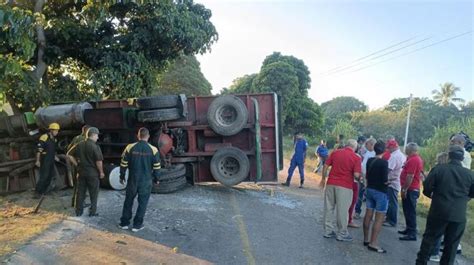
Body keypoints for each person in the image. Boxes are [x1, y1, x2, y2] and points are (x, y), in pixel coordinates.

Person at [416, 145, 474, 265]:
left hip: (438, 210)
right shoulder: (470, 174)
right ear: (462, 158)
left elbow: (426, 188)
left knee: (429, 239)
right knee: (451, 246)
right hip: (458, 214)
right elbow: (472, 193)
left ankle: (421, 262)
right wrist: (463, 200)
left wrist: (434, 197)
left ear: (449, 156)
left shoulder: (439, 169)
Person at [118, 128, 161, 232]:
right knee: (143, 203)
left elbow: (123, 163)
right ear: (148, 136)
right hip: (146, 181)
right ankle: (137, 225)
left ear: (138, 136)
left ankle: (124, 223)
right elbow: (157, 166)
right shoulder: (153, 149)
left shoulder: (130, 147)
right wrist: (157, 179)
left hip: (133, 179)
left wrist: (122, 176)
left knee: (128, 201)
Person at [320, 139, 362, 242]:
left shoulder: (335, 153)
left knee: (329, 207)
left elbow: (325, 166)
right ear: (355, 147)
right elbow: (356, 175)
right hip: (345, 186)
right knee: (342, 210)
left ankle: (328, 231)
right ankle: (342, 233)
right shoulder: (356, 158)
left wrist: (323, 179)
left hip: (331, 183)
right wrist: (361, 179)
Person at [69, 127, 105, 217]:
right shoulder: (95, 146)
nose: (98, 137)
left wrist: (77, 164)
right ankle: (92, 212)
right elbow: (99, 161)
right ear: (93, 135)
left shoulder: (79, 144)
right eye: (97, 135)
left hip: (81, 172)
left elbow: (69, 155)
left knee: (80, 192)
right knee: (93, 193)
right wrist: (101, 172)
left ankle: (78, 212)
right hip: (92, 174)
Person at [363, 140, 389, 253]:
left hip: (370, 189)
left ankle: (366, 239)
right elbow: (384, 180)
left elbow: (368, 175)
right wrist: (390, 181)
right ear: (384, 150)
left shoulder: (370, 160)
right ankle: (373, 243)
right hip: (380, 192)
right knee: (379, 218)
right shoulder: (384, 163)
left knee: (368, 214)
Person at [398, 142, 424, 241]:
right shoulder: (411, 159)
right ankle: (408, 229)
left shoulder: (414, 160)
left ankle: (412, 232)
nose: (405, 149)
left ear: (411, 149)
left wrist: (404, 189)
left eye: (407, 148)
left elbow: (410, 176)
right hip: (410, 188)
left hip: (411, 189)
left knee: (410, 211)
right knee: (407, 210)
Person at [428, 152, 449, 262]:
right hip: (450, 204)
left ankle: (433, 251)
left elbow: (428, 185)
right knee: (441, 229)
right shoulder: (450, 172)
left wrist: (429, 194)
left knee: (435, 228)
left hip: (437, 202)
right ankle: (435, 252)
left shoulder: (437, 170)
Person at [383, 139, 406, 227]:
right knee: (392, 201)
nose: (388, 149)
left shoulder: (394, 156)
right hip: (396, 180)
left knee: (392, 202)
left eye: (389, 148)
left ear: (392, 147)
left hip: (392, 181)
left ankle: (392, 220)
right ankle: (389, 218)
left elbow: (388, 169)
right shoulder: (401, 155)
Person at [67, 125, 90, 207]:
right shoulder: (85, 139)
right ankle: (81, 203)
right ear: (86, 131)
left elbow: (69, 148)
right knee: (83, 184)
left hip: (75, 162)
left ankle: (74, 202)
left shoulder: (76, 138)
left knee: (77, 183)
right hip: (82, 163)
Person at [34, 123, 60, 197]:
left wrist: (55, 157)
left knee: (49, 176)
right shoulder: (44, 137)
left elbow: (52, 150)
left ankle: (45, 191)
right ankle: (37, 192)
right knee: (44, 176)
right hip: (45, 159)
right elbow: (39, 150)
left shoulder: (54, 139)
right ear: (51, 130)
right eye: (55, 131)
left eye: (57, 131)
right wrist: (38, 160)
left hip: (51, 159)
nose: (56, 132)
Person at [354, 138, 377, 220]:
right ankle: (357, 211)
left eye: (366, 144)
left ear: (371, 144)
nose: (365, 146)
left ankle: (370, 215)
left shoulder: (375, 154)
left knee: (369, 197)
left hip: (369, 179)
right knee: (359, 195)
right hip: (362, 177)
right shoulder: (367, 152)